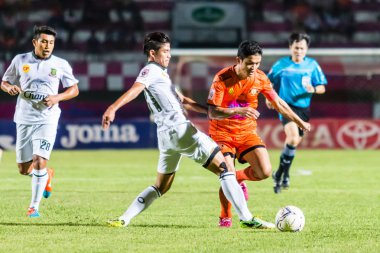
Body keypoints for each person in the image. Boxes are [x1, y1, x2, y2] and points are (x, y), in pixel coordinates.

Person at [102, 32, 274, 229]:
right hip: (180, 130)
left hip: (166, 137)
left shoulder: (162, 76)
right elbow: (136, 88)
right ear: (152, 53)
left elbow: (182, 100)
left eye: (169, 51)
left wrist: (209, 111)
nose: (169, 55)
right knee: (225, 170)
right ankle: (246, 218)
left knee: (161, 187)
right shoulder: (150, 71)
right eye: (165, 51)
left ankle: (123, 218)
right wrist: (113, 107)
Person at [207, 40, 311, 227]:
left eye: (257, 63)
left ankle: (239, 179)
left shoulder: (261, 78)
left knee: (264, 171)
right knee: (227, 173)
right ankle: (225, 217)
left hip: (247, 132)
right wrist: (238, 111)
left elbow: (278, 103)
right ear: (238, 60)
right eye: (249, 63)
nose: (254, 67)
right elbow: (212, 112)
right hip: (222, 133)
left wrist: (299, 121)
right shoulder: (222, 78)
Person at [1, 25, 79, 217]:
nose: (48, 46)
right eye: (44, 41)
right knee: (23, 169)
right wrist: (9, 88)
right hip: (24, 118)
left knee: (39, 161)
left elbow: (74, 89)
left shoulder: (61, 64)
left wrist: (57, 98)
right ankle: (47, 175)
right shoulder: (20, 60)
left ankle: (33, 207)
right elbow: (4, 81)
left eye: (51, 42)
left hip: (48, 118)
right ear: (35, 42)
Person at [266, 32, 327, 194]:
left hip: (304, 108)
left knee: (293, 143)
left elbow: (322, 87)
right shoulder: (282, 64)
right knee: (292, 137)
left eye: (302, 48)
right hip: (286, 106)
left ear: (306, 49)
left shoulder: (312, 65)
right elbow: (268, 81)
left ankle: (280, 173)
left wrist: (313, 89)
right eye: (296, 47)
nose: (299, 51)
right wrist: (269, 97)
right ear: (290, 47)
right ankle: (283, 174)